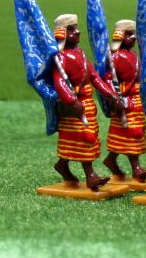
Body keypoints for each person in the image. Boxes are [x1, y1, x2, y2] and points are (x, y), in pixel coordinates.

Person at [51, 14, 122, 190]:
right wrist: (71, 100)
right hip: (73, 107)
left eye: (76, 28)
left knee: (85, 139)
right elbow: (59, 81)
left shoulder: (81, 54)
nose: (77, 31)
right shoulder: (59, 58)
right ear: (62, 33)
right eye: (71, 29)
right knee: (84, 138)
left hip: (87, 104)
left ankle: (62, 165)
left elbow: (94, 77)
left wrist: (110, 94)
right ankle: (90, 175)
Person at [102, 20, 146, 182]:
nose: (133, 37)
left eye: (133, 34)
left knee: (136, 132)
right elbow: (108, 80)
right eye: (129, 34)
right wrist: (114, 98)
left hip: (136, 99)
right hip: (122, 99)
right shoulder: (115, 56)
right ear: (120, 36)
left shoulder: (134, 56)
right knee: (130, 132)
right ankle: (135, 168)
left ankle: (111, 159)